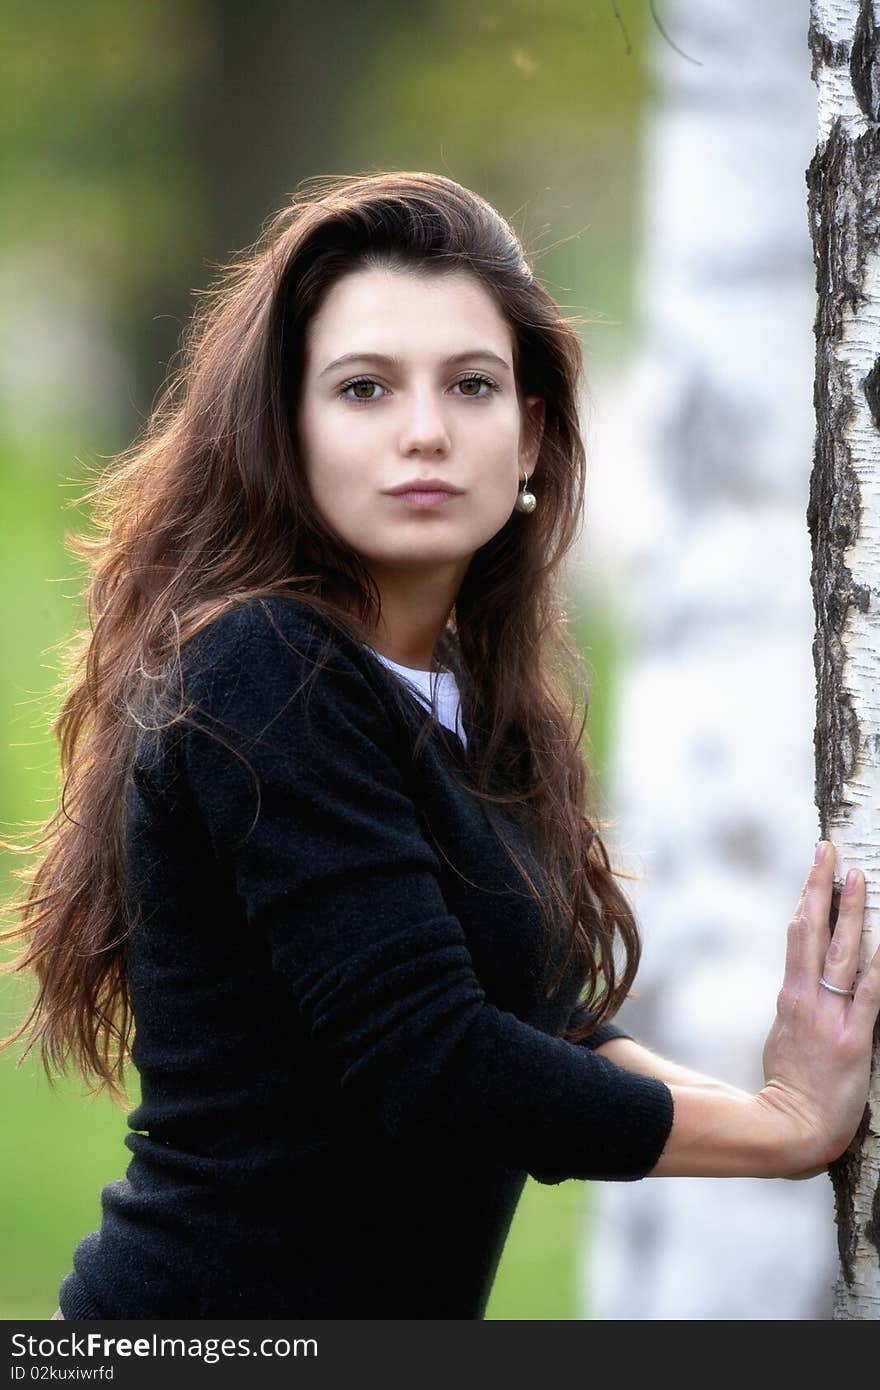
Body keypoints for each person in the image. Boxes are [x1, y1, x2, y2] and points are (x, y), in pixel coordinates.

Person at [2, 171, 878, 1321]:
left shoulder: (474, 704)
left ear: (527, 436)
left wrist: (784, 1104)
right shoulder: (267, 668)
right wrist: (775, 1133)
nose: (425, 431)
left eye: (470, 385)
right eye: (363, 389)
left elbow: (545, 1029)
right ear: (289, 428)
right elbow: (440, 1063)